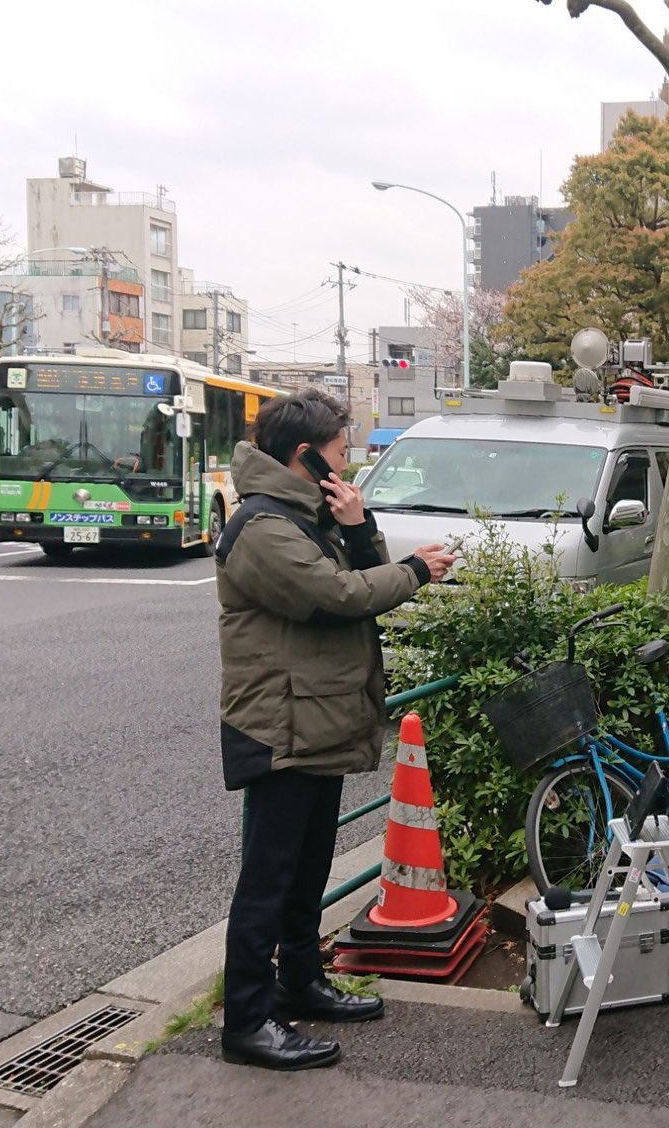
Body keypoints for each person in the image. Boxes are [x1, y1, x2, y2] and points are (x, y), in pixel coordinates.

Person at [214, 388, 457, 1072]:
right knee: (269, 878)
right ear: (304, 457)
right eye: (341, 454)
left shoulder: (306, 515)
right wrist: (415, 571)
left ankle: (300, 982)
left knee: (307, 866)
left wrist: (357, 524)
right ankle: (249, 1020)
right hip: (279, 722)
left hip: (310, 716)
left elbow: (354, 571)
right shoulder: (264, 528)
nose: (347, 466)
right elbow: (336, 598)